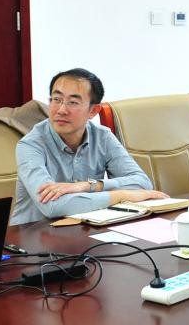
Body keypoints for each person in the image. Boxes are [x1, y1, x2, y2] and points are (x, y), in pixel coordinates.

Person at [12, 68, 165, 224]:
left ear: (93, 111)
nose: (61, 110)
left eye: (73, 102)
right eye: (56, 99)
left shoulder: (102, 137)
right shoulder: (30, 145)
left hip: (83, 230)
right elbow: (52, 206)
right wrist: (122, 195)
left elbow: (142, 183)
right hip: (33, 233)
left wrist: (88, 186)